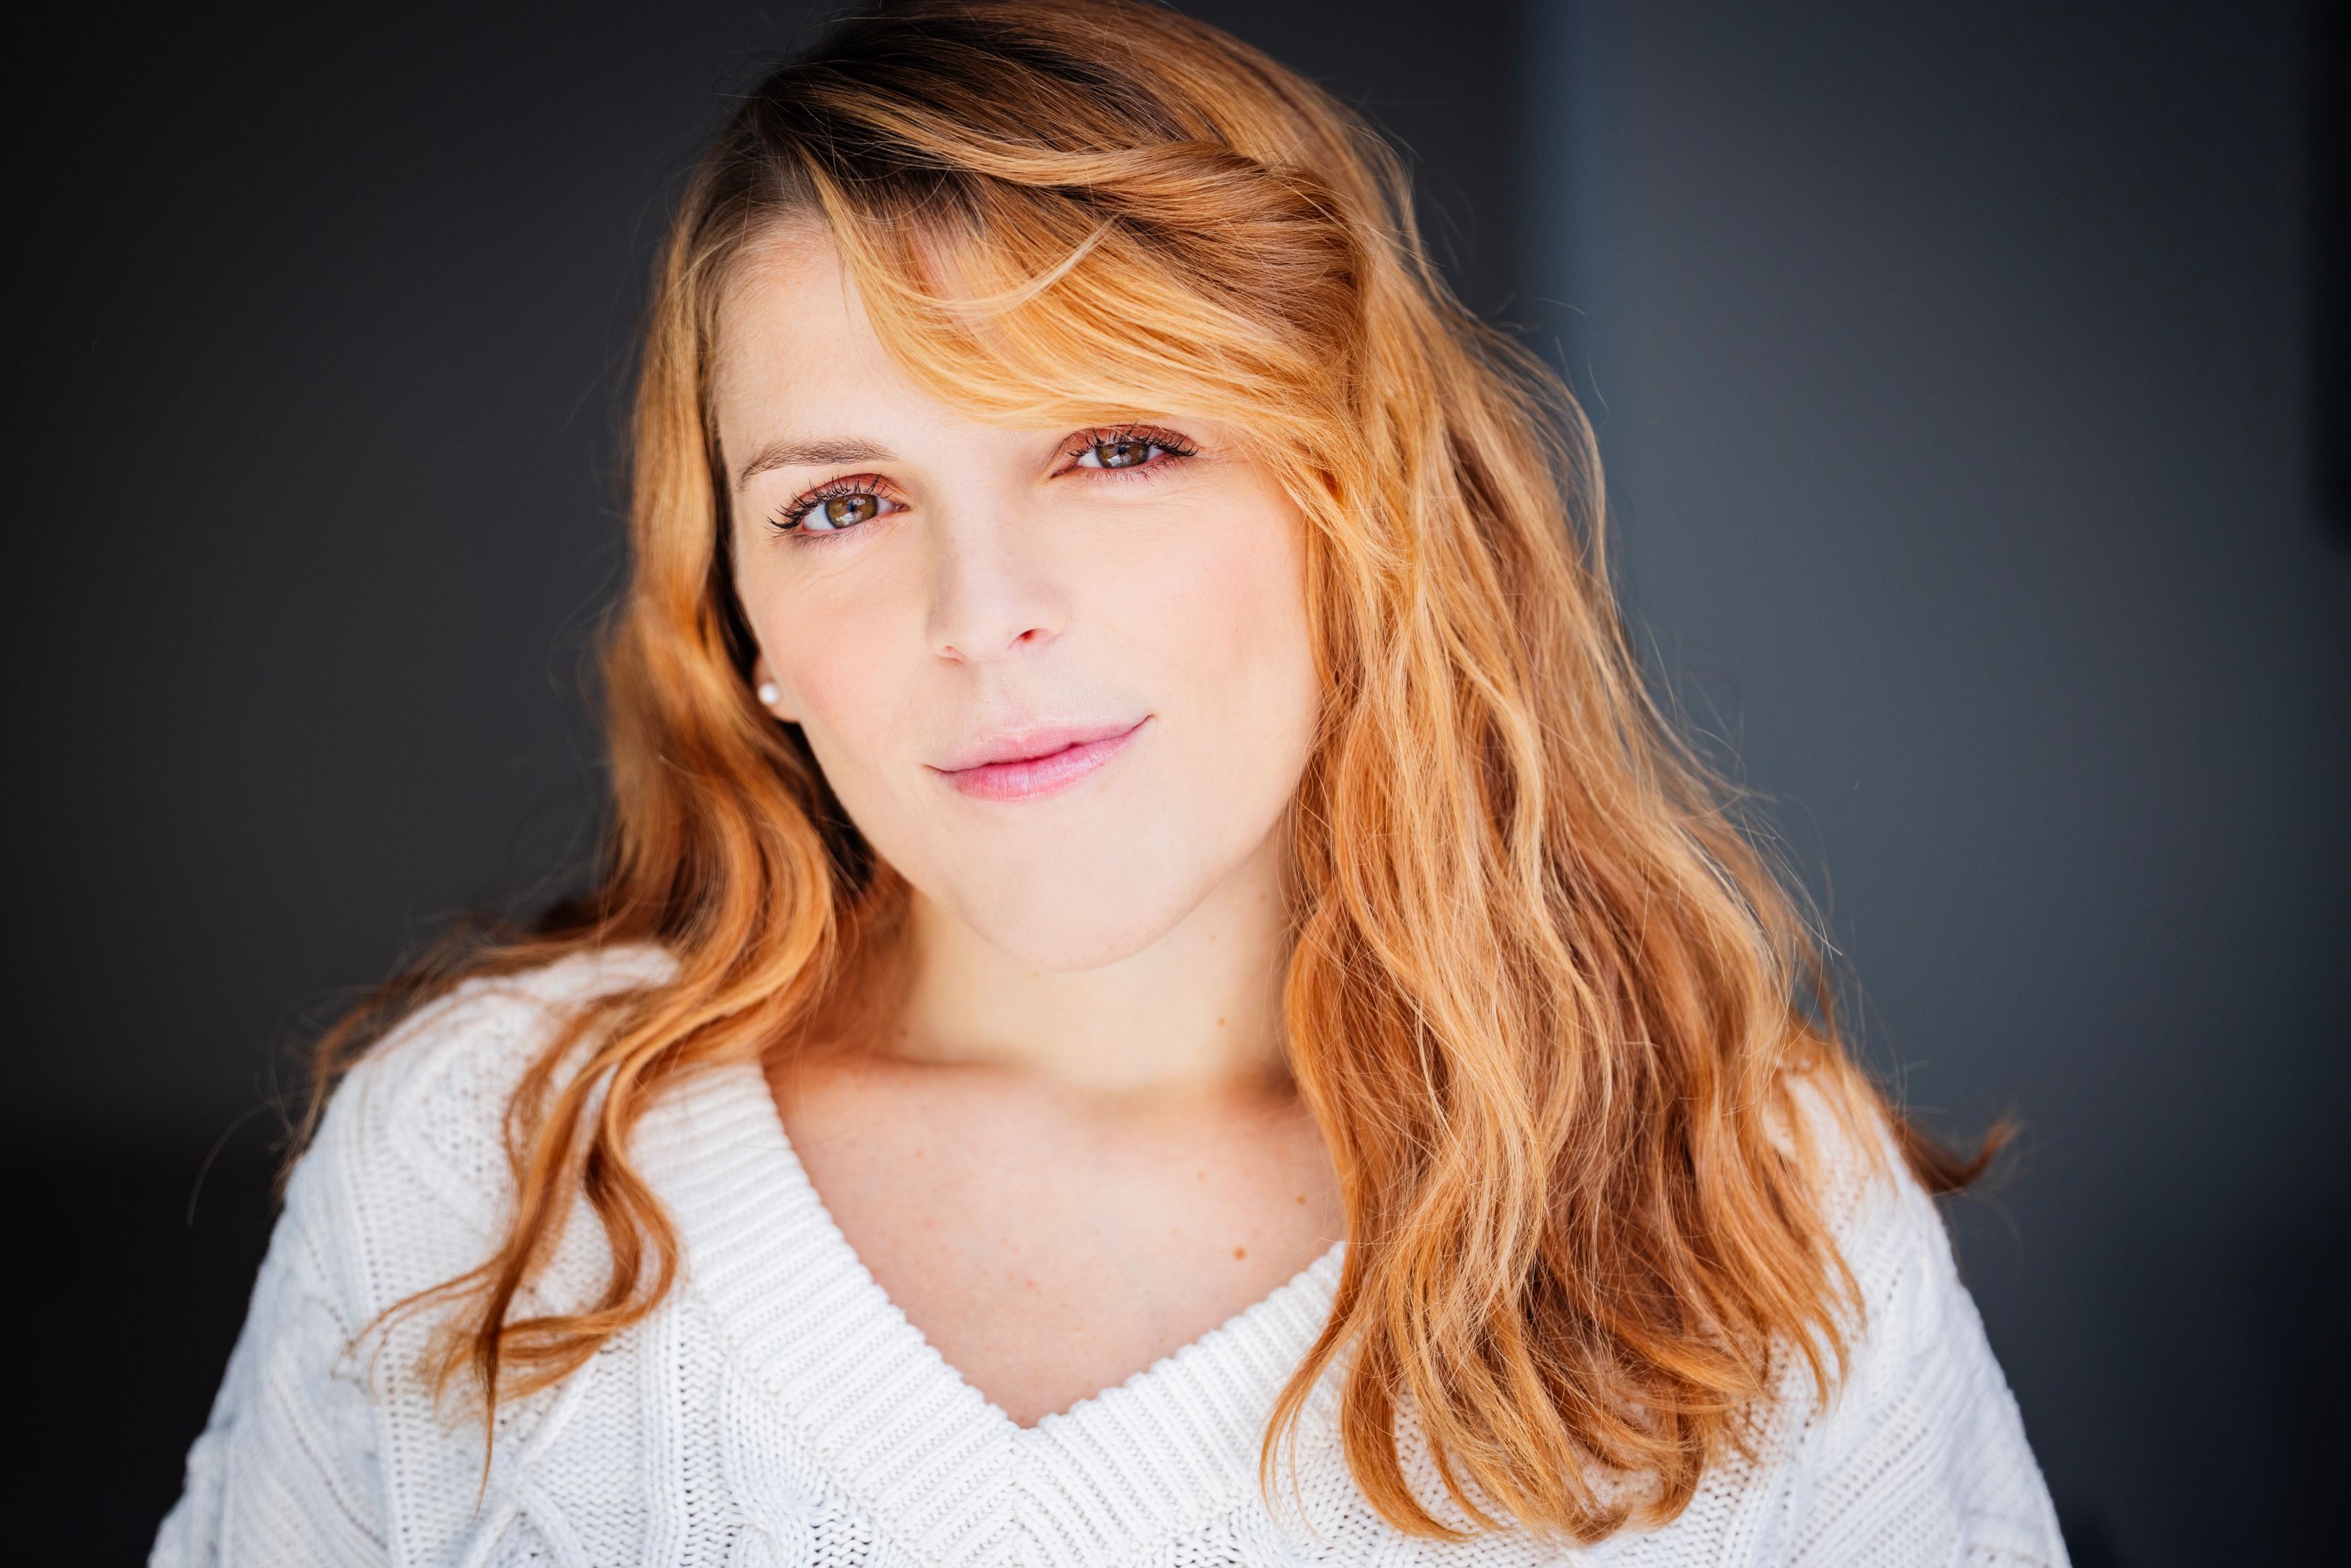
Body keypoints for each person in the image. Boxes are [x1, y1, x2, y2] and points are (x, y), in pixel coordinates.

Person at [152, 2, 2067, 1563]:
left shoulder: (1752, 1210)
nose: (983, 614)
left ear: (1356, 508)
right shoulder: (484, 1163)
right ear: (746, 627)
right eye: (843, 503)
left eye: (1117, 447)